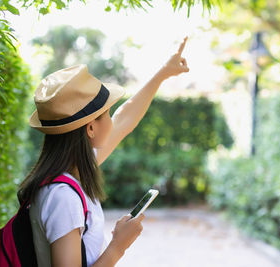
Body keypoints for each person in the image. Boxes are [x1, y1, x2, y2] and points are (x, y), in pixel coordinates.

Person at [18, 37, 189, 267]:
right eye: (107, 114)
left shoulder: (70, 173)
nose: (112, 118)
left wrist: (163, 73)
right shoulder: (63, 197)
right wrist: (119, 245)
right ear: (90, 128)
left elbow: (125, 119)